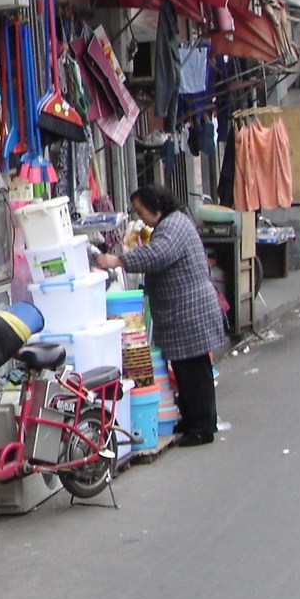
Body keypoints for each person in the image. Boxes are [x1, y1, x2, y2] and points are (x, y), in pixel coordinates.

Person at [95, 185, 221, 447]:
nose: (141, 218)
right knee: (185, 369)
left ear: (156, 207)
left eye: (141, 211)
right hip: (183, 309)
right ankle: (192, 419)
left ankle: (202, 427)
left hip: (190, 309)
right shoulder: (172, 223)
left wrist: (119, 260)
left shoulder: (173, 226)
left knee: (194, 370)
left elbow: (157, 255)